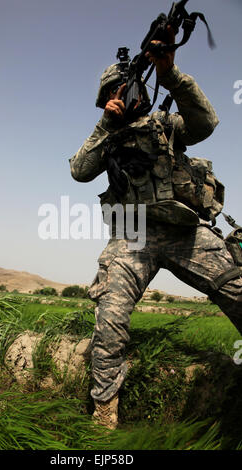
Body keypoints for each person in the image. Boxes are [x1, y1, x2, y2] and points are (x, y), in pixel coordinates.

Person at [69, 26, 242, 430]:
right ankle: (104, 414)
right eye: (117, 92)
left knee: (238, 289)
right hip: (132, 237)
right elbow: (79, 171)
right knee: (110, 321)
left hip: (184, 231)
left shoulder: (164, 123)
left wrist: (172, 75)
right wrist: (105, 124)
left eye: (129, 90)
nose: (127, 97)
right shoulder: (107, 136)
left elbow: (206, 123)